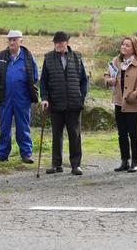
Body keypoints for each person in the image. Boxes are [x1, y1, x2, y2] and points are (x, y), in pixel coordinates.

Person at [40, 31, 89, 176]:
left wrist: (82, 97)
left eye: (61, 42)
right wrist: (44, 98)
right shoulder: (48, 58)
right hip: (55, 103)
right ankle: (56, 164)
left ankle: (76, 165)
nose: (58, 45)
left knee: (75, 135)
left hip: (74, 104)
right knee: (57, 135)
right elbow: (43, 81)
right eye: (56, 43)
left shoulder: (77, 57)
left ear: (66, 43)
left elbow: (84, 81)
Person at [104, 35, 137, 173]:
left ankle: (135, 162)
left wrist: (136, 94)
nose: (124, 47)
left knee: (133, 133)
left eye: (127, 45)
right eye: (123, 45)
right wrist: (109, 81)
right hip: (119, 101)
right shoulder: (116, 60)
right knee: (122, 133)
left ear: (134, 48)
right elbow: (106, 75)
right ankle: (124, 160)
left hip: (134, 102)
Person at [0, 30, 39, 163]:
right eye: (10, 39)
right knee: (4, 126)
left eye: (15, 39)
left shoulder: (28, 57)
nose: (12, 42)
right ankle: (2, 153)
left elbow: (34, 77)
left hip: (22, 98)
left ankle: (26, 154)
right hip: (5, 97)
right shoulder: (0, 56)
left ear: (21, 41)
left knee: (23, 126)